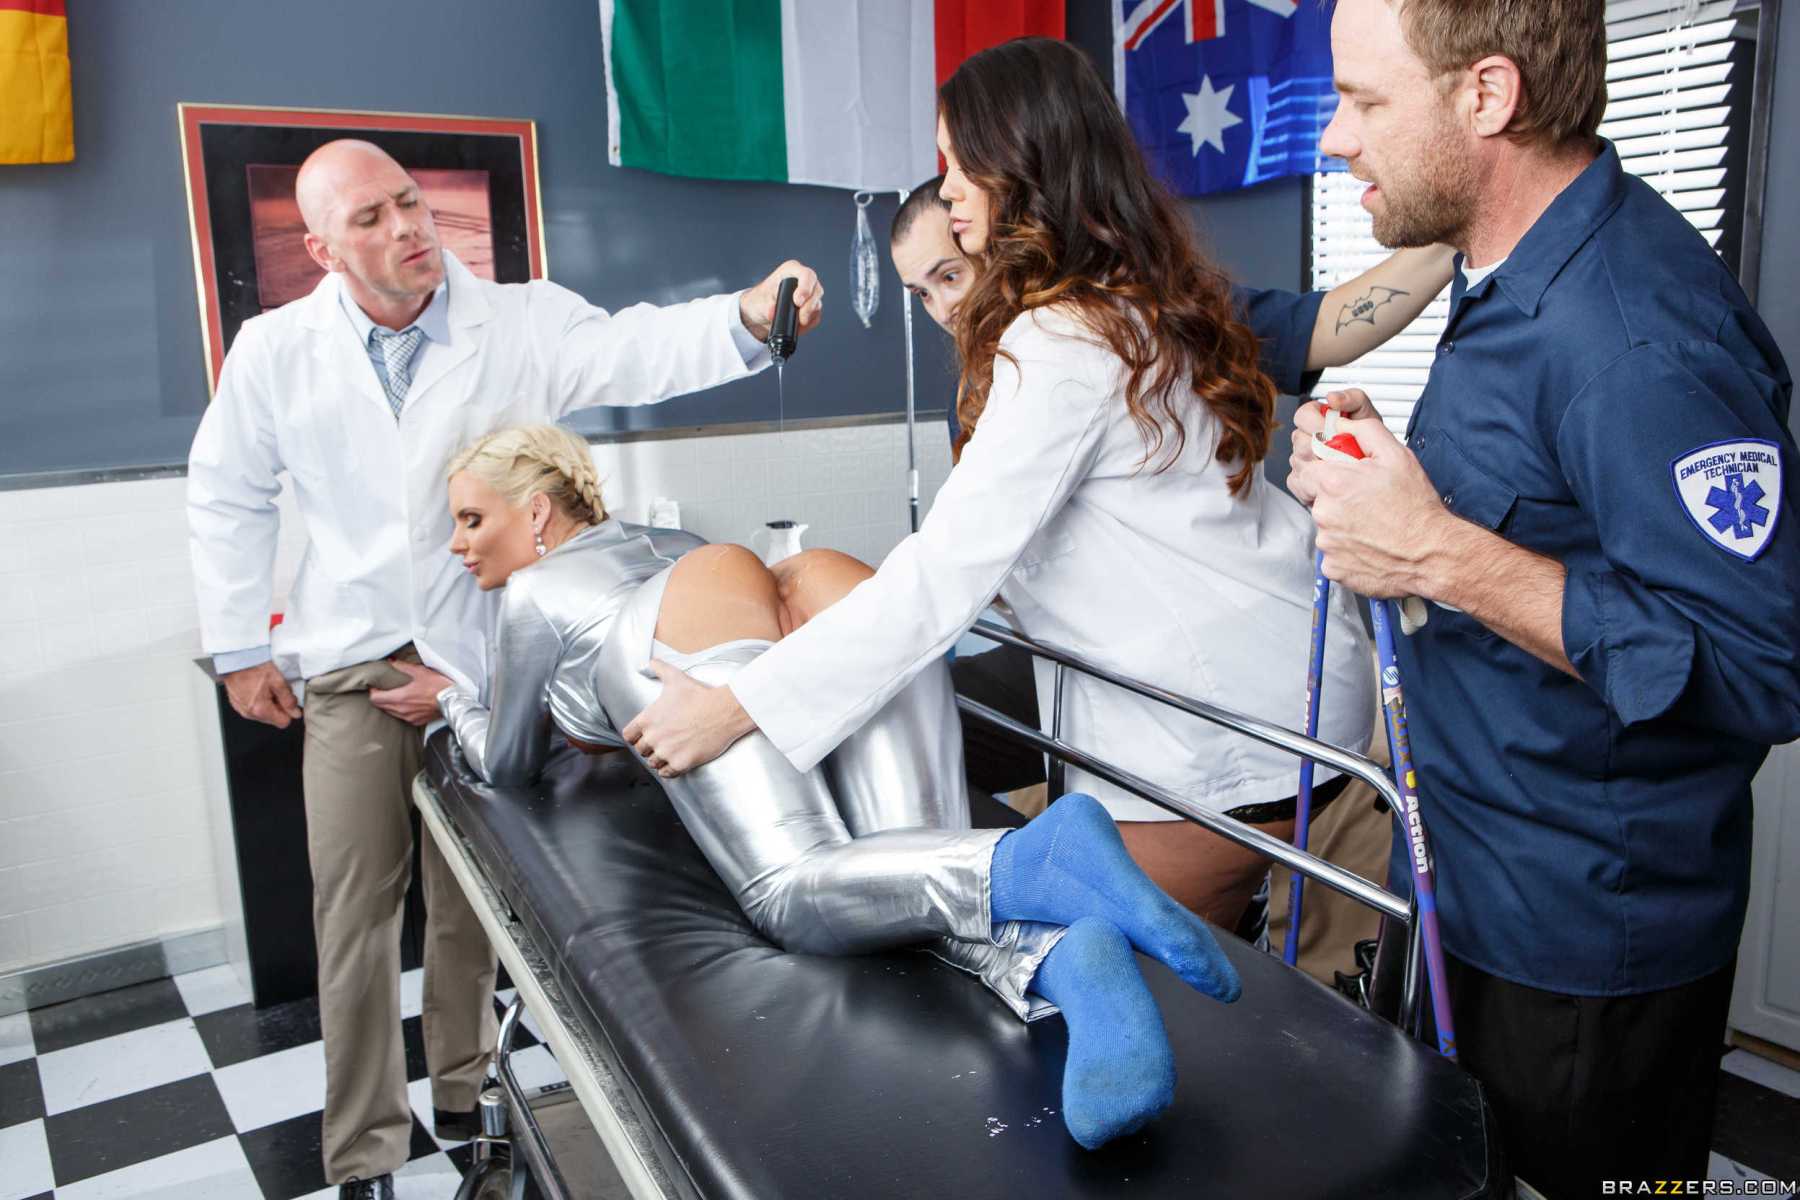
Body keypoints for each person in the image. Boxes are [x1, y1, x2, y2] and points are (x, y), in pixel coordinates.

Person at [623, 37, 1378, 934]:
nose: (945, 191)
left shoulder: (1059, 340)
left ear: (1020, 165)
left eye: (958, 164)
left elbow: (943, 574)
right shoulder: (1129, 300)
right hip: (1291, 680)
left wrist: (733, 706)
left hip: (1225, 723)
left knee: (1110, 965)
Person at [186, 139, 823, 1199]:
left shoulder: (519, 322)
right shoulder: (274, 350)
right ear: (322, 250)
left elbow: (635, 350)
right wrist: (242, 645)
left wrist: (746, 318)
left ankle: (465, 1091)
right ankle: (366, 1153)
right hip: (353, 668)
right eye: (371, 219)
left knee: (471, 900)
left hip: (478, 660)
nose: (407, 227)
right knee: (353, 915)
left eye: (410, 202)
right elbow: (226, 492)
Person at [1285, 1, 1799, 1193]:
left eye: (1364, 101)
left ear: (1487, 95)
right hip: (1465, 879)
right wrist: (1396, 486)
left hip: (1580, 945)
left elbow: (1764, 670)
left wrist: (1433, 552)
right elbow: (1544, 514)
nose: (1334, 136)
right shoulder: (1505, 266)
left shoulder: (1637, 338)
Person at [435, 424, 1243, 1149]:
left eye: (471, 519)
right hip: (815, 586)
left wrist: (450, 704)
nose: (457, 545)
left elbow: (505, 761)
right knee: (904, 868)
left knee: (790, 889)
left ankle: (1033, 859)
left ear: (536, 512)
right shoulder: (665, 537)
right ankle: (1068, 960)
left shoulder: (536, 592)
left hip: (673, 631)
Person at [892, 177, 1452, 949]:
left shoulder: (1134, 322)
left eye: (950, 275)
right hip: (1091, 655)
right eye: (920, 293)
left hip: (1213, 675)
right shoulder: (999, 367)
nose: (942, 308)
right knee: (910, 724)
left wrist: (1459, 229)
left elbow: (1329, 324)